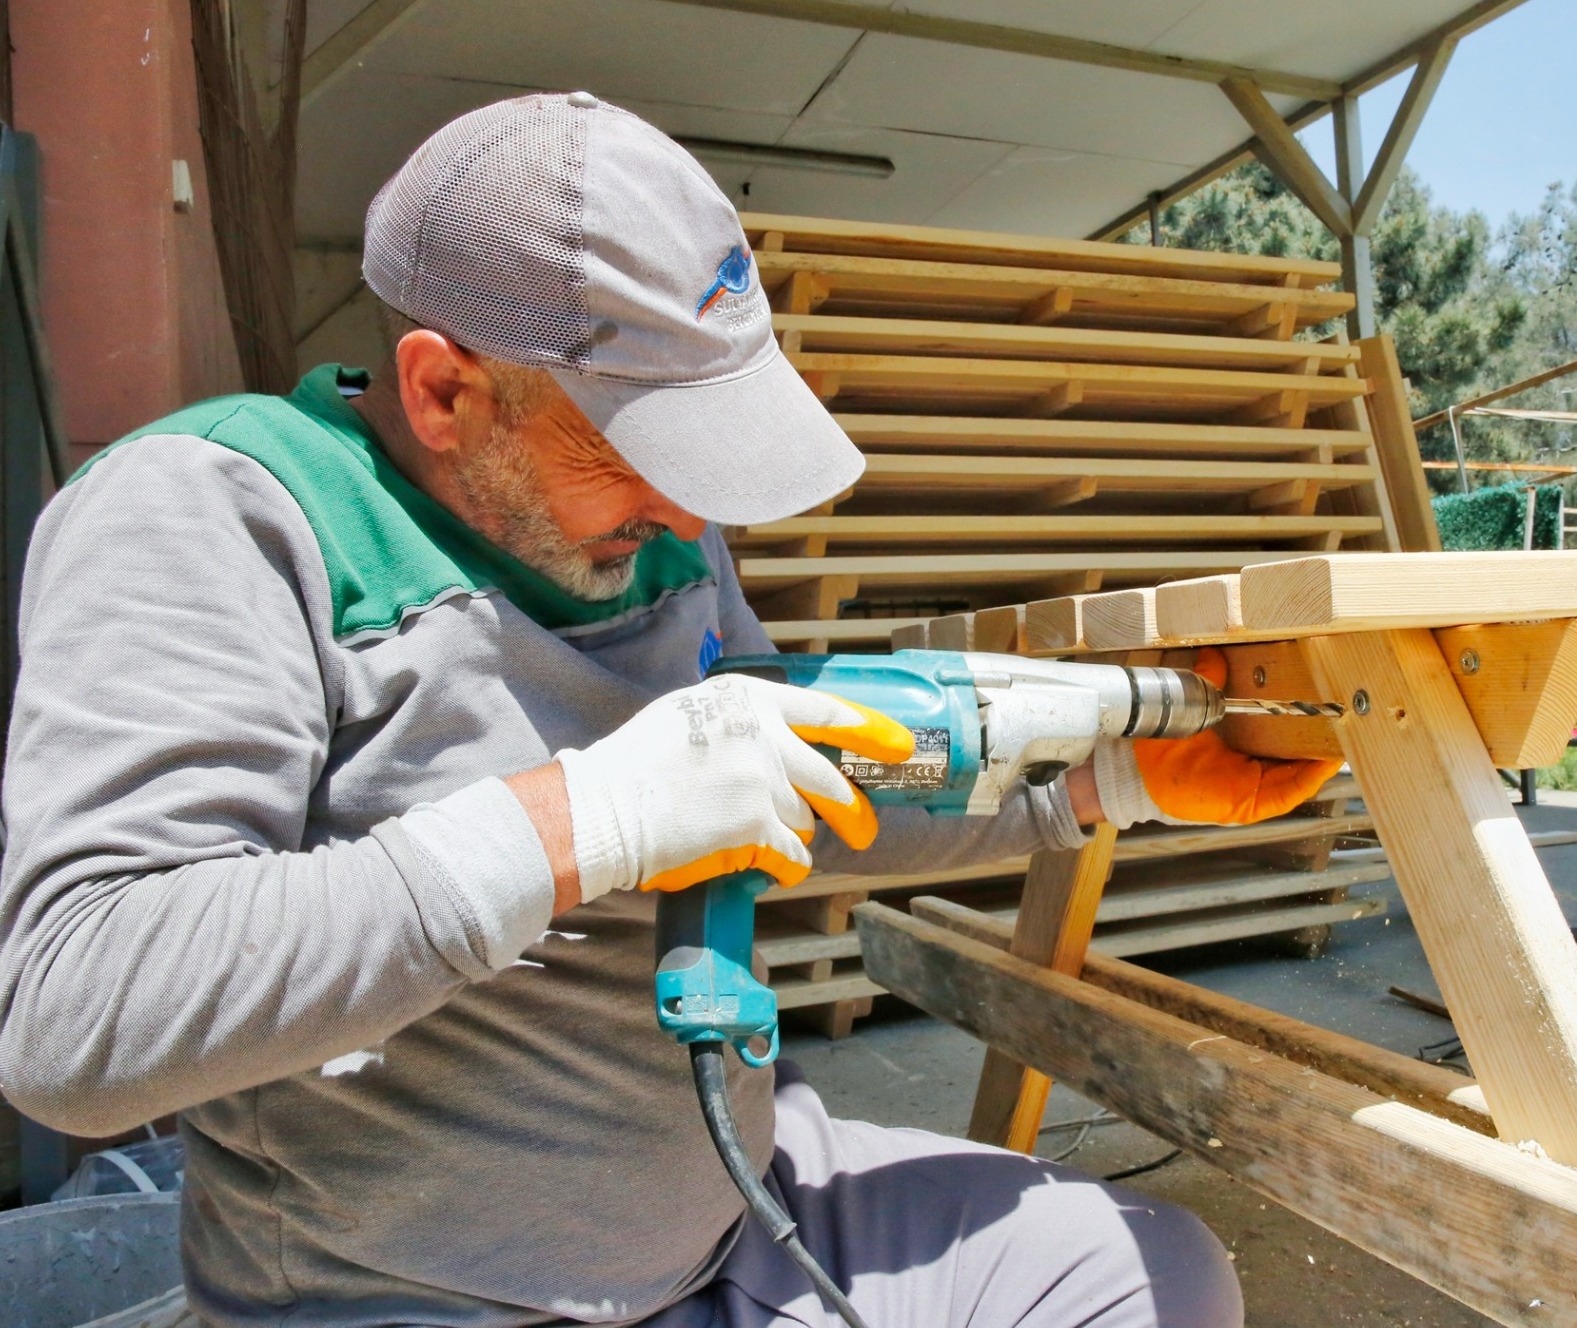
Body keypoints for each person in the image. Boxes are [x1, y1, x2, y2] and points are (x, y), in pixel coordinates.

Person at [0, 93, 1335, 1327]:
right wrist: (587, 818)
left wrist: (1109, 788)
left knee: (1149, 1281)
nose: (691, 516)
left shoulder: (661, 541)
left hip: (740, 1211)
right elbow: (77, 1016)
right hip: (411, 1291)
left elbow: (807, 794)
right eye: (636, 450)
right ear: (443, 390)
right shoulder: (214, 516)